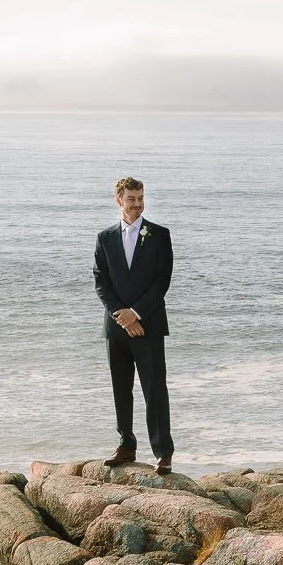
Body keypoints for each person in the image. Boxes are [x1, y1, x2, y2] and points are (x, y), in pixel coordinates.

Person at [94, 176, 174, 475]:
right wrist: (121, 315)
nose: (137, 204)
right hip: (116, 328)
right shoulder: (105, 237)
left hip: (148, 325)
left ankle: (163, 452)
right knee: (121, 387)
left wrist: (136, 314)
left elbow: (161, 282)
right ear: (119, 200)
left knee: (155, 388)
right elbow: (100, 281)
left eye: (141, 198)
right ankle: (126, 445)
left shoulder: (160, 235)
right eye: (131, 199)